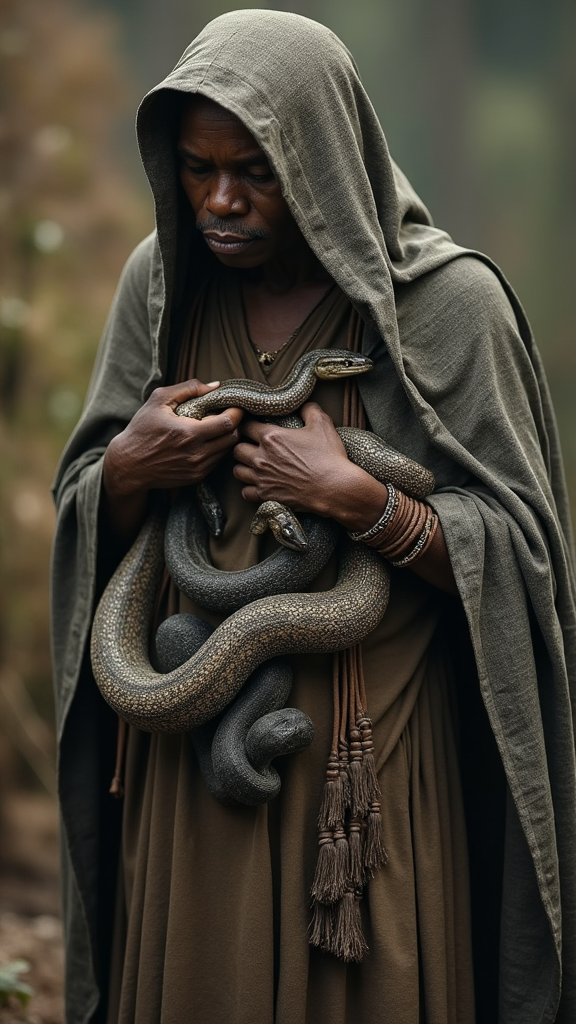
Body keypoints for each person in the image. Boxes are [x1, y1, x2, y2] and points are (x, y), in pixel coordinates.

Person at [50, 10, 576, 1024]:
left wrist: (365, 503)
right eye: (197, 169)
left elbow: (528, 561)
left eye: (254, 171)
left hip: (364, 778)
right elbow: (84, 499)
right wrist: (128, 469)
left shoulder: (448, 308)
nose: (219, 201)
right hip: (188, 763)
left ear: (324, 162)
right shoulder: (159, 290)